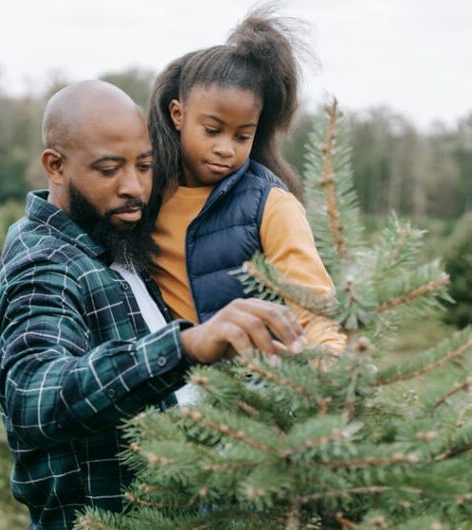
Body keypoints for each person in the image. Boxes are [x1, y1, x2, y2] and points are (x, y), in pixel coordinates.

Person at [0, 80, 306, 530]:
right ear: (55, 166)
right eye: (109, 169)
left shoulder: (114, 241)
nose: (134, 187)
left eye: (145, 165)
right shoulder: (45, 266)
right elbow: (36, 396)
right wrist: (186, 346)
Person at [146, 9, 346, 398]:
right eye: (212, 130)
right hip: (162, 386)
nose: (225, 149)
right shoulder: (145, 195)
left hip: (248, 396)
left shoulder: (269, 203)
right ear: (177, 114)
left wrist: (333, 371)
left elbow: (313, 301)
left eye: (242, 136)